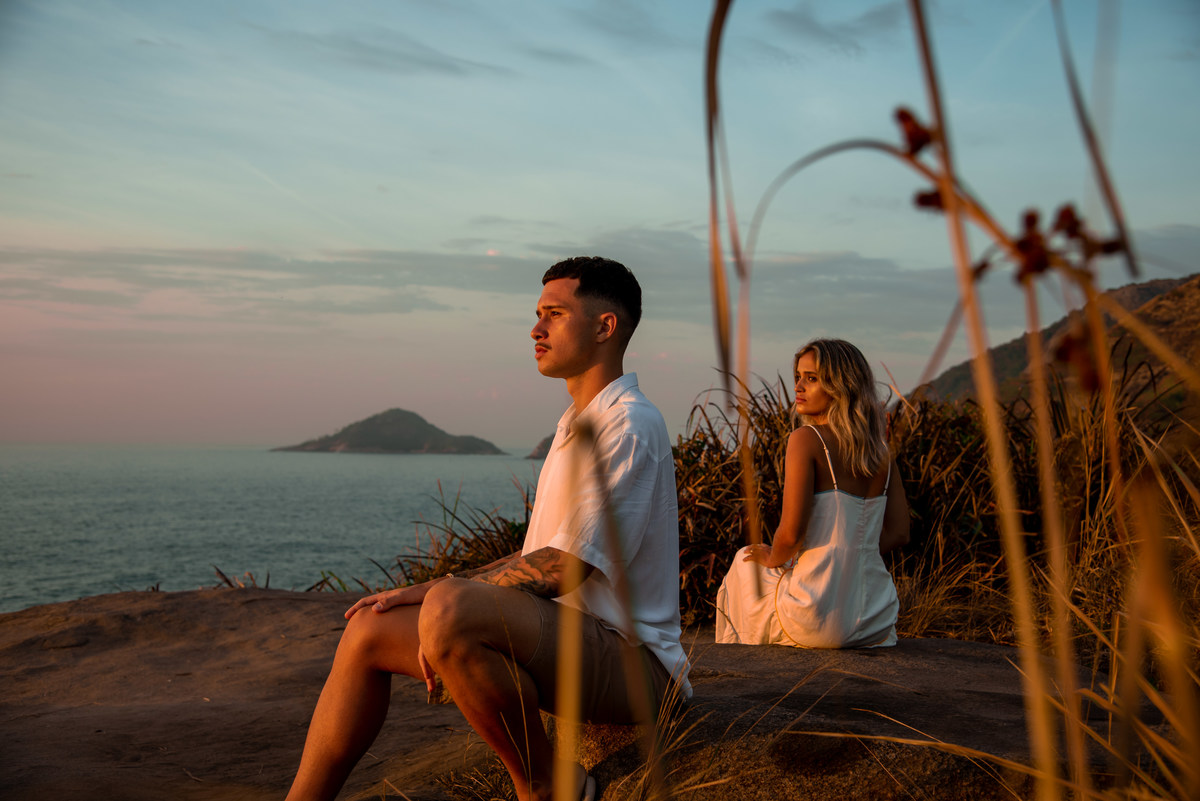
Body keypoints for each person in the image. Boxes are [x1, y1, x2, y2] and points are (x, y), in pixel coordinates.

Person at [285, 256, 691, 801]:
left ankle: (546, 786)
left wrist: (443, 608)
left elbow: (567, 566)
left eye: (554, 314)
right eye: (537, 314)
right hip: (560, 640)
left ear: (604, 326)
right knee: (368, 631)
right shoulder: (576, 424)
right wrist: (428, 598)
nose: (536, 328)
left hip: (633, 664)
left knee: (450, 609)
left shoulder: (630, 423)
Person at [715, 338, 910, 648]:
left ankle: (738, 669)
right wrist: (846, 558)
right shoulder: (882, 454)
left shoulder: (806, 439)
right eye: (798, 377)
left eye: (812, 378)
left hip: (817, 617)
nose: (799, 387)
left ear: (840, 386)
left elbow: (791, 535)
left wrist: (775, 556)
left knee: (745, 561)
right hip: (875, 619)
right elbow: (899, 533)